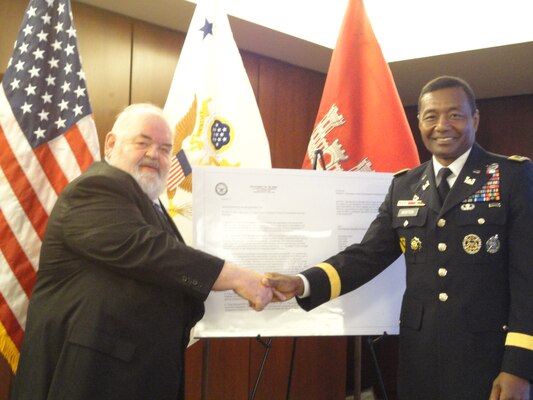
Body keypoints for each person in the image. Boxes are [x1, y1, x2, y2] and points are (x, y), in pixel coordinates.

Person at [266, 76, 533, 400]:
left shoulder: (511, 176)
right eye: (431, 116)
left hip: (487, 357)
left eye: (455, 115)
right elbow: (368, 255)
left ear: (474, 118)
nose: (442, 125)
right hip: (419, 356)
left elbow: (527, 280)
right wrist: (302, 282)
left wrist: (519, 367)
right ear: (419, 121)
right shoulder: (404, 186)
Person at [11, 103, 274, 400]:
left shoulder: (151, 205)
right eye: (143, 143)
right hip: (89, 378)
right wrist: (236, 277)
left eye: (164, 148)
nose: (154, 155)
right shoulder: (96, 187)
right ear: (111, 143)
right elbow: (146, 250)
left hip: (134, 376)